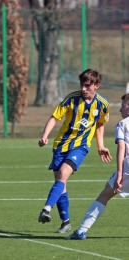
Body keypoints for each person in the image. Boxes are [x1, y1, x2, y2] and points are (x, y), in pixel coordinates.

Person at [37, 69, 112, 233]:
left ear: (96, 86)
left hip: (81, 146)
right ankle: (66, 221)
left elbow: (100, 124)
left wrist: (100, 146)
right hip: (61, 145)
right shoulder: (71, 99)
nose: (83, 89)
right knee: (60, 183)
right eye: (82, 85)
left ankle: (46, 209)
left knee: (63, 174)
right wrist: (44, 136)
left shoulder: (103, 104)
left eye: (87, 86)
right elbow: (54, 117)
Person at [66, 93, 129, 240]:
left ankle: (81, 231)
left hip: (127, 169)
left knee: (105, 195)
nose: (120, 110)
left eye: (123, 106)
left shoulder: (122, 125)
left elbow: (121, 147)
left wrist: (120, 174)